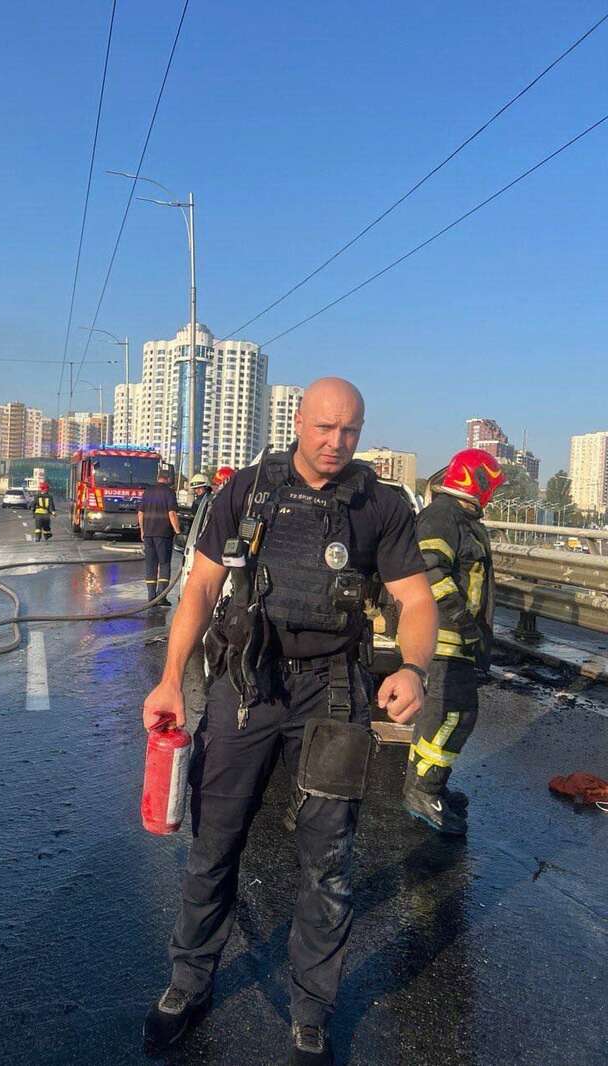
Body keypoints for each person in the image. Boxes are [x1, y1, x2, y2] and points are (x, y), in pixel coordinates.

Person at [141, 378, 438, 1065]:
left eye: (351, 431)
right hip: (245, 688)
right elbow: (203, 588)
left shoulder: (382, 507)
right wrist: (170, 679)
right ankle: (188, 984)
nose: (335, 444)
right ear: (298, 420)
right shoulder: (246, 492)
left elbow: (417, 603)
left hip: (332, 698)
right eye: (324, 427)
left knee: (327, 863)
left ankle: (311, 1012)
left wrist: (414, 669)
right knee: (214, 844)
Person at [402, 448, 504, 835]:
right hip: (445, 637)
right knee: (454, 714)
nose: (492, 493)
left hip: (456, 637)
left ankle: (431, 785)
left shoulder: (458, 516)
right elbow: (430, 568)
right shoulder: (444, 515)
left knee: (444, 715)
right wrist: (462, 620)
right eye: (491, 485)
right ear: (475, 481)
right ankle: (423, 790)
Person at [138, 471, 181, 605]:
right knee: (164, 564)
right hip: (163, 533)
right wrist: (178, 531)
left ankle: (151, 596)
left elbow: (140, 513)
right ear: (168, 479)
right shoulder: (169, 492)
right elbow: (172, 513)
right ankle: (161, 597)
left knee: (150, 564)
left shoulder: (148, 492)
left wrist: (142, 531)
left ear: (158, 478)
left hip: (148, 534)